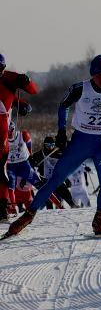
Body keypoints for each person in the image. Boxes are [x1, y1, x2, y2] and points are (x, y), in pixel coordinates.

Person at [7, 54, 101, 237]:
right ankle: (28, 216)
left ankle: (99, 220)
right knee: (55, 180)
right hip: (81, 142)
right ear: (93, 75)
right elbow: (63, 106)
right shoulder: (80, 88)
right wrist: (61, 131)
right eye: (100, 75)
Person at [0, 53, 39, 221]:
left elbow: (33, 90)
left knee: (1, 170)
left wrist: (27, 81)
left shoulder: (9, 78)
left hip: (2, 130)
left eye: (0, 68)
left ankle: (2, 210)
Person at [29, 136, 74, 209]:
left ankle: (73, 206)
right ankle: (50, 211)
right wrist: (33, 163)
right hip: (45, 180)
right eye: (48, 146)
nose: (50, 148)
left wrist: (66, 179)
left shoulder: (58, 153)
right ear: (44, 145)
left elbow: (63, 167)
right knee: (49, 199)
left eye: (52, 145)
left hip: (56, 179)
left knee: (66, 193)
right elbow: (30, 163)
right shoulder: (39, 154)